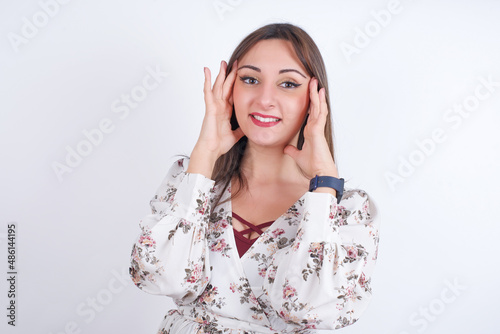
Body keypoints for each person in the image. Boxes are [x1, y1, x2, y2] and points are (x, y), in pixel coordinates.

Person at [129, 22, 380, 333]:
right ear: (230, 90)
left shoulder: (349, 209)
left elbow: (308, 307)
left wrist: (324, 185)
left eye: (288, 84)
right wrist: (204, 156)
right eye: (250, 79)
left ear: (315, 99)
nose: (264, 99)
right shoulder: (190, 178)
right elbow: (158, 277)